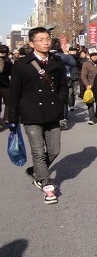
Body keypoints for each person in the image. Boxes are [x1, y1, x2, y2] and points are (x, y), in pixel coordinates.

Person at [8, 27, 67, 204]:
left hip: (52, 112)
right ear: (32, 43)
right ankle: (46, 184)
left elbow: (63, 85)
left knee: (55, 150)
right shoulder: (21, 64)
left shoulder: (57, 62)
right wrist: (12, 118)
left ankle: (37, 171)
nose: (46, 42)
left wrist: (60, 100)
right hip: (31, 113)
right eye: (41, 39)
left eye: (47, 39)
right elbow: (14, 93)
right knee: (38, 151)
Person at [51, 38, 77, 130]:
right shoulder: (62, 56)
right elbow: (73, 63)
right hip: (62, 81)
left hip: (47, 82)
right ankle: (63, 119)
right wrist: (67, 54)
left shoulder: (44, 55)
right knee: (63, 100)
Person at [81, 48, 97, 125]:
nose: (94, 56)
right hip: (90, 85)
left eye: (95, 55)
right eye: (92, 55)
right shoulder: (86, 64)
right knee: (90, 102)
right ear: (90, 56)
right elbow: (83, 76)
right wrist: (87, 84)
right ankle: (92, 117)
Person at [0, 44, 12, 127]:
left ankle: (6, 118)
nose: (3, 54)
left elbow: (11, 73)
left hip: (5, 84)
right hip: (5, 84)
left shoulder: (8, 62)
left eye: (4, 52)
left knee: (8, 102)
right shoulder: (8, 62)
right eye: (1, 52)